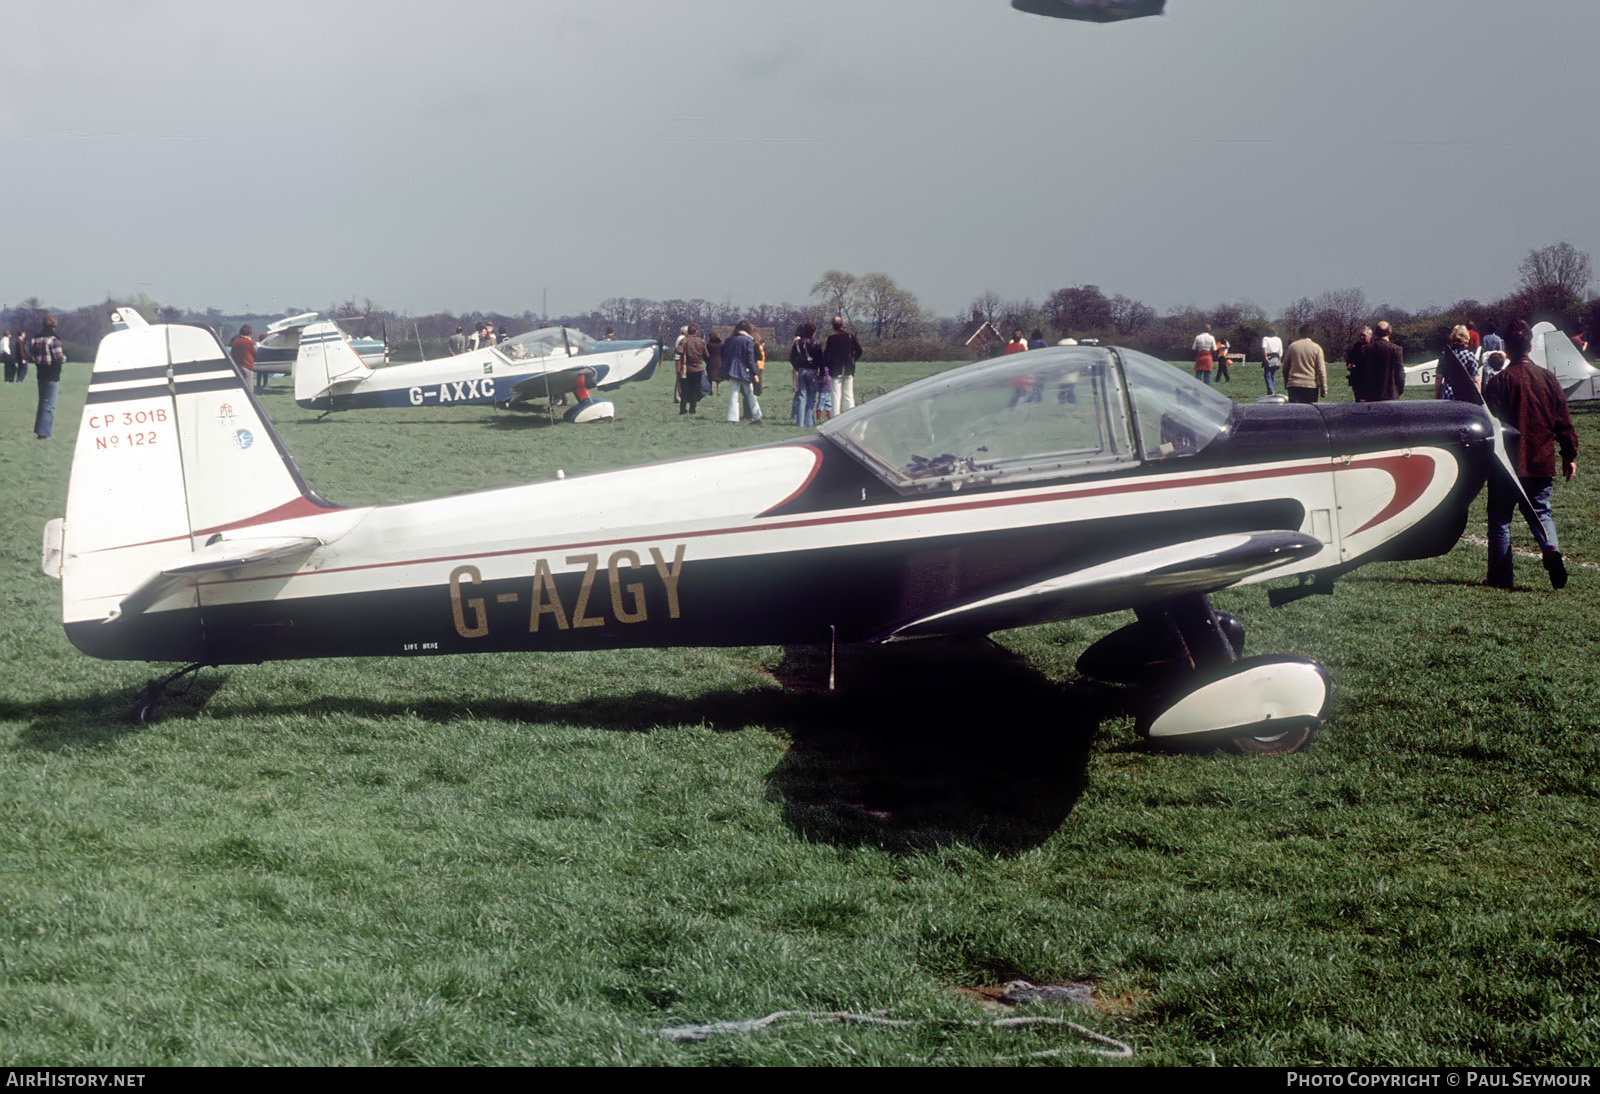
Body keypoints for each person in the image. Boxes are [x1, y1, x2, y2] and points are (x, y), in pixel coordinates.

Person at [1483, 319, 1577, 589]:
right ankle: (1551, 549)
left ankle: (1501, 578)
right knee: (1541, 512)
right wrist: (1569, 455)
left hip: (1506, 463)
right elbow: (1563, 421)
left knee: (1500, 519)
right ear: (1530, 345)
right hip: (1540, 459)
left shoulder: (1498, 382)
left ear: (1506, 349)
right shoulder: (1548, 378)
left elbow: (1490, 426)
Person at [30, 315, 66, 440]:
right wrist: (65, 358)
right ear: (54, 326)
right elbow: (59, 357)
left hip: (40, 372)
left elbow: (32, 355)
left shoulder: (35, 339)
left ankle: (39, 430)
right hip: (52, 374)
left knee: (42, 402)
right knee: (50, 404)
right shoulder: (54, 340)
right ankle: (45, 434)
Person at [723, 320, 762, 424]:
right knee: (750, 393)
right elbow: (750, 359)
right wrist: (754, 373)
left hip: (732, 369)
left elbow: (723, 352)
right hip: (745, 370)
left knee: (734, 393)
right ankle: (757, 417)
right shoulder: (748, 340)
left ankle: (732, 418)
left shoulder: (730, 339)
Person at [822, 316, 862, 414]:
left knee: (835, 395)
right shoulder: (851, 336)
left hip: (835, 370)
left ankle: (836, 417)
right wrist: (853, 360)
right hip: (848, 369)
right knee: (848, 395)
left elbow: (827, 355)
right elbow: (859, 351)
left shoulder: (831, 338)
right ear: (842, 325)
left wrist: (828, 364)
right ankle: (850, 415)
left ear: (833, 326)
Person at [789, 321, 824, 426]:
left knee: (801, 396)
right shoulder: (816, 343)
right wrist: (821, 373)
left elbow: (792, 358)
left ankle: (800, 422)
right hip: (812, 371)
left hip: (801, 371)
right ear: (814, 331)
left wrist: (797, 367)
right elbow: (820, 360)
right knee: (811, 398)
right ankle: (809, 422)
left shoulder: (797, 343)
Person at [1283, 323, 1328, 404]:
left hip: (1294, 385)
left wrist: (1287, 382)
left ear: (1300, 333)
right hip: (1310, 386)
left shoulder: (1292, 347)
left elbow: (1285, 367)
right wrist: (1323, 387)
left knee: (1295, 413)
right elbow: (1321, 370)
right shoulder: (1317, 348)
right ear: (1312, 333)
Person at [1435, 325, 1481, 403]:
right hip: (1465, 396)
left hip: (1448, 395)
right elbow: (1476, 380)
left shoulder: (1445, 355)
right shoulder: (1470, 356)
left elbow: (1438, 378)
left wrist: (1436, 396)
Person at [1361, 321, 1406, 402]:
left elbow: (1360, 373)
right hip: (1391, 395)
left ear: (1375, 332)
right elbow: (1400, 374)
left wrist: (1362, 394)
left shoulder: (1365, 349)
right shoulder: (1396, 349)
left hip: (1370, 396)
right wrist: (1398, 391)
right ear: (1390, 332)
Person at [679, 323, 708, 415]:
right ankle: (692, 409)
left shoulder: (684, 341)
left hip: (686, 369)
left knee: (684, 390)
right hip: (698, 369)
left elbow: (678, 350)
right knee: (695, 390)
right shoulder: (701, 342)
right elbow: (707, 355)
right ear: (696, 332)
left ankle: (683, 409)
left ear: (688, 332)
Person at [230, 324, 260, 390]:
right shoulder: (248, 342)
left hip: (237, 366)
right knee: (249, 388)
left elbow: (232, 353)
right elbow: (255, 353)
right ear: (249, 332)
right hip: (247, 366)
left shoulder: (235, 341)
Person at [1345, 326, 1372, 399]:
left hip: (1369, 379)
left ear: (1370, 335)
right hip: (1357, 379)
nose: (1362, 337)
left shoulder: (1374, 346)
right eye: (1361, 335)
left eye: (1364, 335)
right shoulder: (1357, 346)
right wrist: (1349, 365)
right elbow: (1350, 358)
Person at [1260, 325, 1283, 396]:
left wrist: (1265, 357)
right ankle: (1272, 390)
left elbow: (1264, 348)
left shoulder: (1265, 339)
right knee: (1273, 374)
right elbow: (1281, 350)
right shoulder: (1278, 339)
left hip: (1269, 357)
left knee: (1267, 375)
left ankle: (1271, 392)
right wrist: (1280, 359)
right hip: (1276, 357)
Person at [706, 329, 725, 398]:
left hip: (711, 362)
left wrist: (706, 360)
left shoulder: (709, 345)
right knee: (718, 378)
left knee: (710, 377)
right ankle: (718, 391)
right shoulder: (721, 345)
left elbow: (706, 354)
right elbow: (723, 353)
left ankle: (710, 390)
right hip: (719, 362)